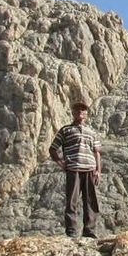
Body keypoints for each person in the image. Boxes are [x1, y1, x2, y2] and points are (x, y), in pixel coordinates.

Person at [49, 99, 102, 237]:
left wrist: (98, 171)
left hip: (90, 169)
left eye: (83, 110)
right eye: (77, 110)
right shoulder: (65, 130)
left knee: (90, 201)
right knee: (72, 200)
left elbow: (96, 152)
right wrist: (62, 163)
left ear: (86, 114)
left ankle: (89, 230)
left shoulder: (91, 132)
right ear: (73, 113)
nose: (80, 112)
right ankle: (71, 230)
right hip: (74, 169)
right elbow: (53, 149)